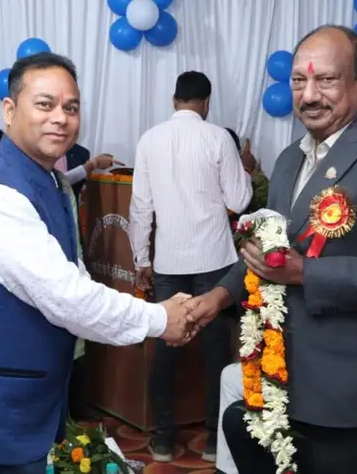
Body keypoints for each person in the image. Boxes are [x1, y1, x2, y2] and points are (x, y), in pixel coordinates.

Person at [0, 52, 196, 474]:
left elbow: (72, 278)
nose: (60, 118)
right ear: (9, 110)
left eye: (71, 107)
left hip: (25, 412)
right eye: (44, 104)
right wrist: (161, 319)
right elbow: (68, 298)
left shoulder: (48, 180)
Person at [185, 26, 357, 474]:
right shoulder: (291, 159)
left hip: (350, 399)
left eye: (326, 80)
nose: (309, 95)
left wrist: (307, 273)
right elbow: (271, 248)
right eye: (298, 81)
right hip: (281, 381)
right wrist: (217, 297)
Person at [129, 71, 254, 462]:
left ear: (174, 100)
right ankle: (216, 441)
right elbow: (239, 200)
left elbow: (140, 207)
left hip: (169, 261)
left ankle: (164, 440)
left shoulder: (149, 139)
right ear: (207, 102)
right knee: (216, 351)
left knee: (166, 347)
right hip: (215, 261)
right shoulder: (217, 138)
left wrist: (141, 258)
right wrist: (245, 169)